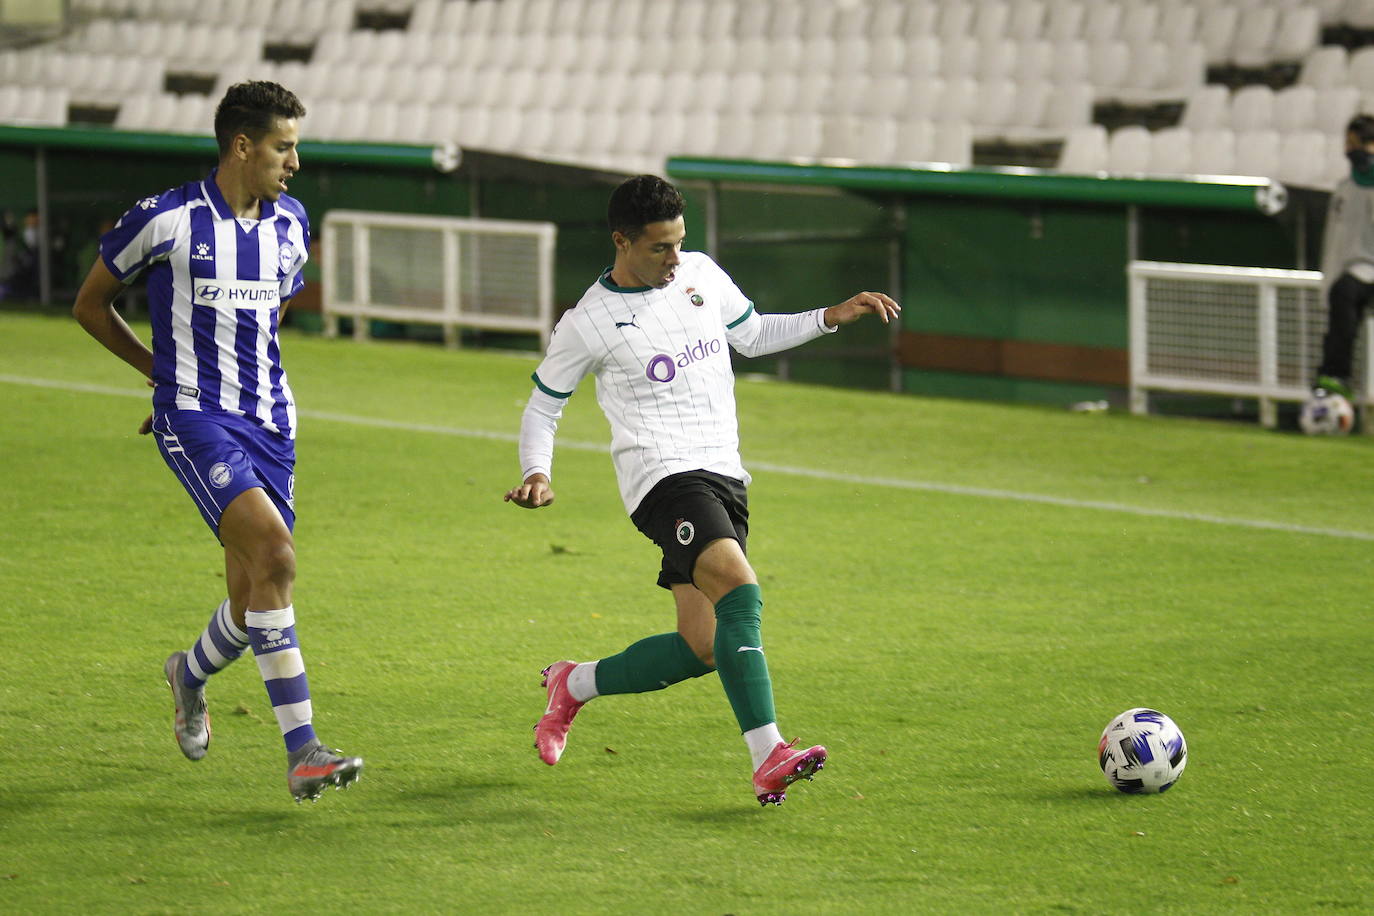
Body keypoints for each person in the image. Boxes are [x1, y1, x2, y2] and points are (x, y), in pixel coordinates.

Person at [504, 174, 900, 806]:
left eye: (680, 243)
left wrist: (831, 316)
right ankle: (768, 753)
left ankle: (573, 685)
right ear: (622, 241)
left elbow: (754, 335)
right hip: (661, 477)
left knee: (702, 646)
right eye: (660, 247)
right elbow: (543, 408)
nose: (674, 259)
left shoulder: (701, 275)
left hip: (723, 473)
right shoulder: (587, 323)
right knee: (739, 587)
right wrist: (537, 472)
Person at [71, 81, 363, 803]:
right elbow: (90, 304)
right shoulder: (166, 219)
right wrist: (163, 379)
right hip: (196, 417)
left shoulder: (291, 223)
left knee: (250, 597)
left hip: (272, 423)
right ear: (243, 145)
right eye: (284, 146)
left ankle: (187, 675)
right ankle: (304, 754)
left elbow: (274, 308)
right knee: (278, 558)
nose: (294, 162)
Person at [1315, 113, 1374, 400]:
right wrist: (1327, 285)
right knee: (1342, 292)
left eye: (1359, 144)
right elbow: (1335, 244)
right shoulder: (1342, 190)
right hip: (1357, 273)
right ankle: (1335, 376)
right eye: (1349, 144)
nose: (1352, 150)